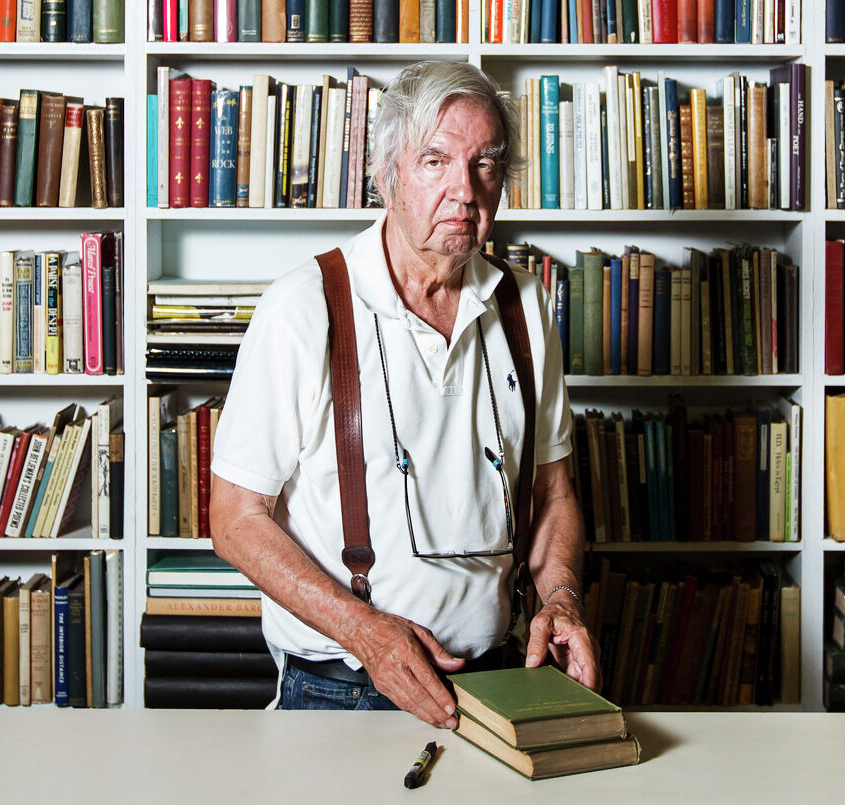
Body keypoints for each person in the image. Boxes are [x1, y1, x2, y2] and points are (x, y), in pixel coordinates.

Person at [208, 61, 596, 728]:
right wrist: (363, 630)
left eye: (484, 164)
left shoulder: (525, 305)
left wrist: (560, 596)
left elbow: (554, 493)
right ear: (388, 173)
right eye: (435, 160)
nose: (463, 190)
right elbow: (235, 518)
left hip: (504, 681)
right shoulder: (304, 307)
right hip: (341, 690)